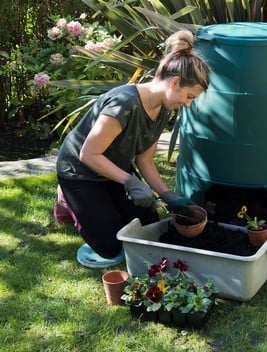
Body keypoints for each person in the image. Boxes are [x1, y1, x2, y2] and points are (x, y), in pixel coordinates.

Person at [54, 30, 210, 268]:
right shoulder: (124, 103)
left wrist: (167, 195)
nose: (188, 104)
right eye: (189, 96)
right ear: (175, 82)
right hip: (80, 172)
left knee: (147, 227)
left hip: (113, 169)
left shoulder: (163, 109)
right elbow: (88, 154)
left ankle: (101, 202)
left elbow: (145, 159)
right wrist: (130, 181)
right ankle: (67, 200)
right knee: (110, 246)